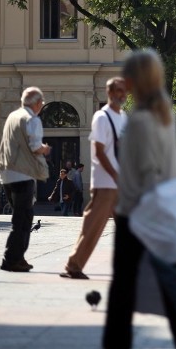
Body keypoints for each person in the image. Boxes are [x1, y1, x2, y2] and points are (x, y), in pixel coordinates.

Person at [92, 49, 176, 349]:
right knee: (169, 279)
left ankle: (116, 343)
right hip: (162, 207)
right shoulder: (164, 112)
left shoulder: (140, 120)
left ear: (131, 81)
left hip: (138, 210)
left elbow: (145, 169)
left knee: (123, 281)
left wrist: (132, 205)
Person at [61, 77, 127, 279]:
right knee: (94, 226)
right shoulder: (101, 117)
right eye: (117, 90)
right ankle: (74, 265)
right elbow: (99, 151)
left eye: (124, 91)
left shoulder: (123, 117)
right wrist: (116, 175)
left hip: (120, 182)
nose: (121, 94)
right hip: (106, 182)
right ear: (109, 93)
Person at [0, 86, 51, 272]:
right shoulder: (32, 119)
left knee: (22, 217)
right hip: (23, 174)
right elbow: (35, 147)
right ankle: (11, 259)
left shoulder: (12, 117)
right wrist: (44, 149)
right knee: (22, 219)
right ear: (36, 103)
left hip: (6, 174)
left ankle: (17, 257)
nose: (42, 105)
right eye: (41, 102)